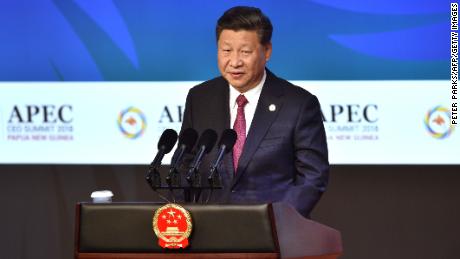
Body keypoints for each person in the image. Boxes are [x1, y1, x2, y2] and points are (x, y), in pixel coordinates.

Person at [180, 6, 329, 218]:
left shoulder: (299, 104)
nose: (234, 61)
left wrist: (278, 223)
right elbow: (186, 163)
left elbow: (312, 177)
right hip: (209, 229)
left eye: (245, 52)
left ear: (266, 51)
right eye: (226, 50)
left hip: (272, 234)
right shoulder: (199, 98)